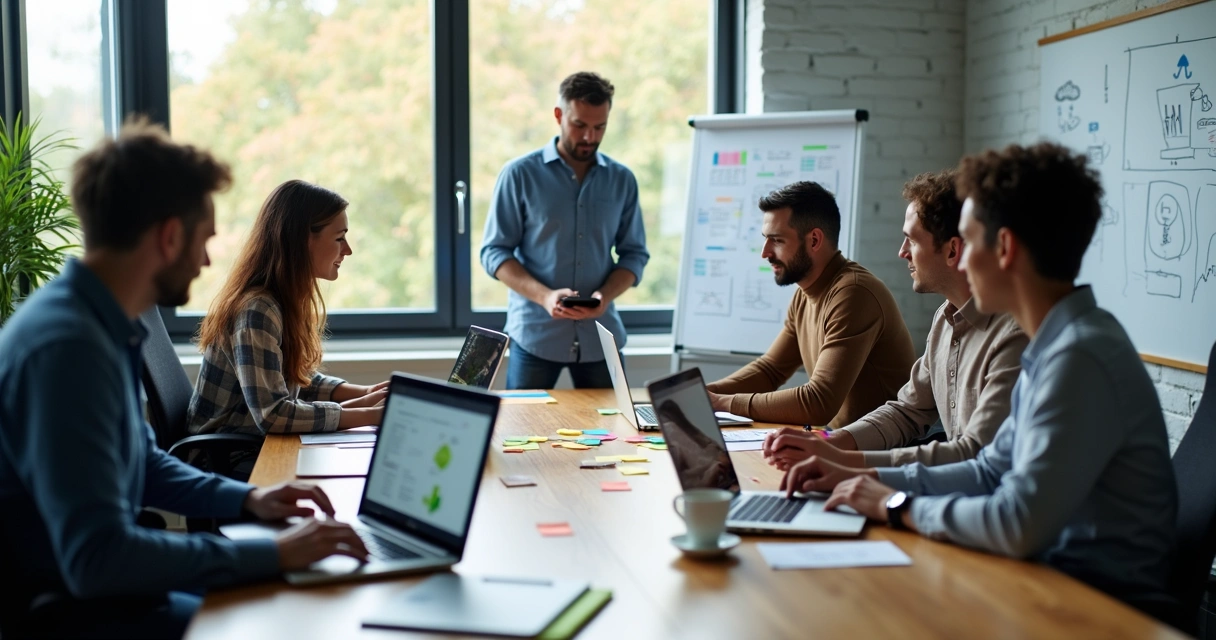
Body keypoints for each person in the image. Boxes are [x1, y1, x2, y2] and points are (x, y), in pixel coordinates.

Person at [0, 119, 368, 639]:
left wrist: (245, 499)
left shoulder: (99, 322)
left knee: (305, 595)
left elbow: (142, 461)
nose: (206, 260)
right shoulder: (68, 349)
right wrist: (269, 549)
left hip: (108, 591)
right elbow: (97, 559)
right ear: (170, 236)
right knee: (297, 617)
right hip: (77, 612)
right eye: (204, 240)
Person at [783, 142, 1177, 607]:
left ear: (1004, 248)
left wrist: (894, 504)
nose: (963, 262)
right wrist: (855, 471)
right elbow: (990, 470)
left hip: (1096, 608)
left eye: (969, 242)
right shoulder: (1059, 343)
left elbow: (1016, 523)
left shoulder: (1078, 357)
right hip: (1044, 582)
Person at [763, 170, 1027, 469]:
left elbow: (976, 454)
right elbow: (907, 410)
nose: (902, 253)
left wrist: (848, 462)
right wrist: (829, 443)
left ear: (953, 250)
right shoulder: (945, 318)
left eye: (911, 241)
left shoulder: (1013, 335)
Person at [480, 71, 649, 389]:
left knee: (617, 433)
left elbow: (634, 254)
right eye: (580, 125)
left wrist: (605, 295)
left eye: (600, 127)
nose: (589, 137)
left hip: (600, 337)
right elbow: (494, 252)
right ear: (559, 115)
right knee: (522, 434)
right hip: (535, 335)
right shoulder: (519, 175)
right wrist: (545, 297)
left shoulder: (622, 180)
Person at [190, 180, 388, 442]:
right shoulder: (257, 310)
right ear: (303, 241)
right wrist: (370, 415)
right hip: (227, 458)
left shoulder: (281, 300)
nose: (348, 250)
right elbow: (273, 414)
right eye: (339, 238)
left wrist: (365, 393)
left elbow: (291, 381)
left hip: (255, 446)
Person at [705, 181, 916, 426]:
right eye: (766, 239)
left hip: (879, 456)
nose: (765, 252)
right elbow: (770, 370)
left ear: (814, 240)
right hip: (838, 445)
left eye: (777, 240)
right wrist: (704, 394)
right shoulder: (805, 294)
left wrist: (721, 403)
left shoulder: (853, 293)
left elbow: (818, 402)